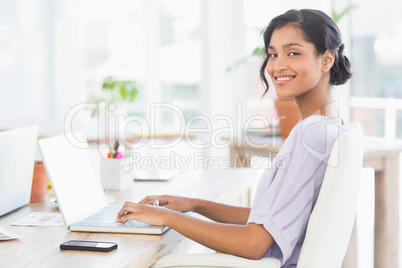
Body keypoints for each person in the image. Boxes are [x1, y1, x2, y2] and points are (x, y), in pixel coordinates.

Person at [117, 9, 352, 267]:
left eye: (293, 53)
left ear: (326, 60)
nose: (277, 65)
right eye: (273, 54)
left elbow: (253, 243)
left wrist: (165, 217)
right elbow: (269, 219)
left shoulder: (311, 136)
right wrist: (193, 204)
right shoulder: (327, 126)